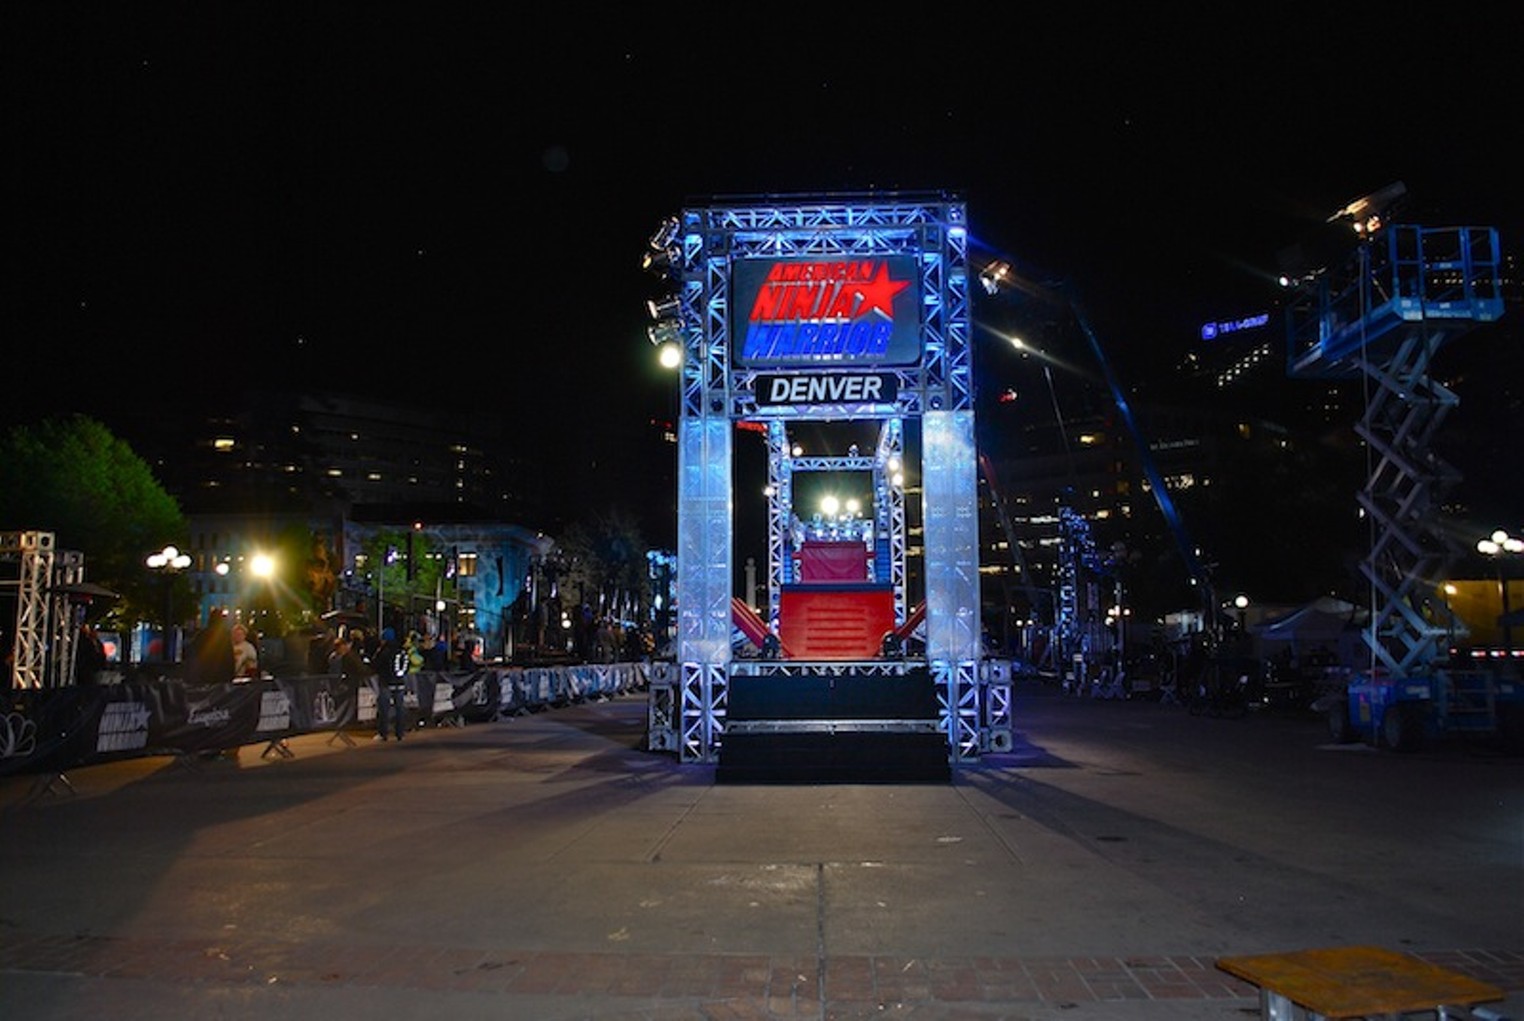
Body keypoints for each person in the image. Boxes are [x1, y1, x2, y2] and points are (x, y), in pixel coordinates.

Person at [373, 626, 407, 741]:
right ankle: (400, 733)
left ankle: (383, 733)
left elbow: (376, 665)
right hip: (400, 682)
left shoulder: (384, 651)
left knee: (384, 709)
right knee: (400, 708)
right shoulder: (402, 650)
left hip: (386, 682)